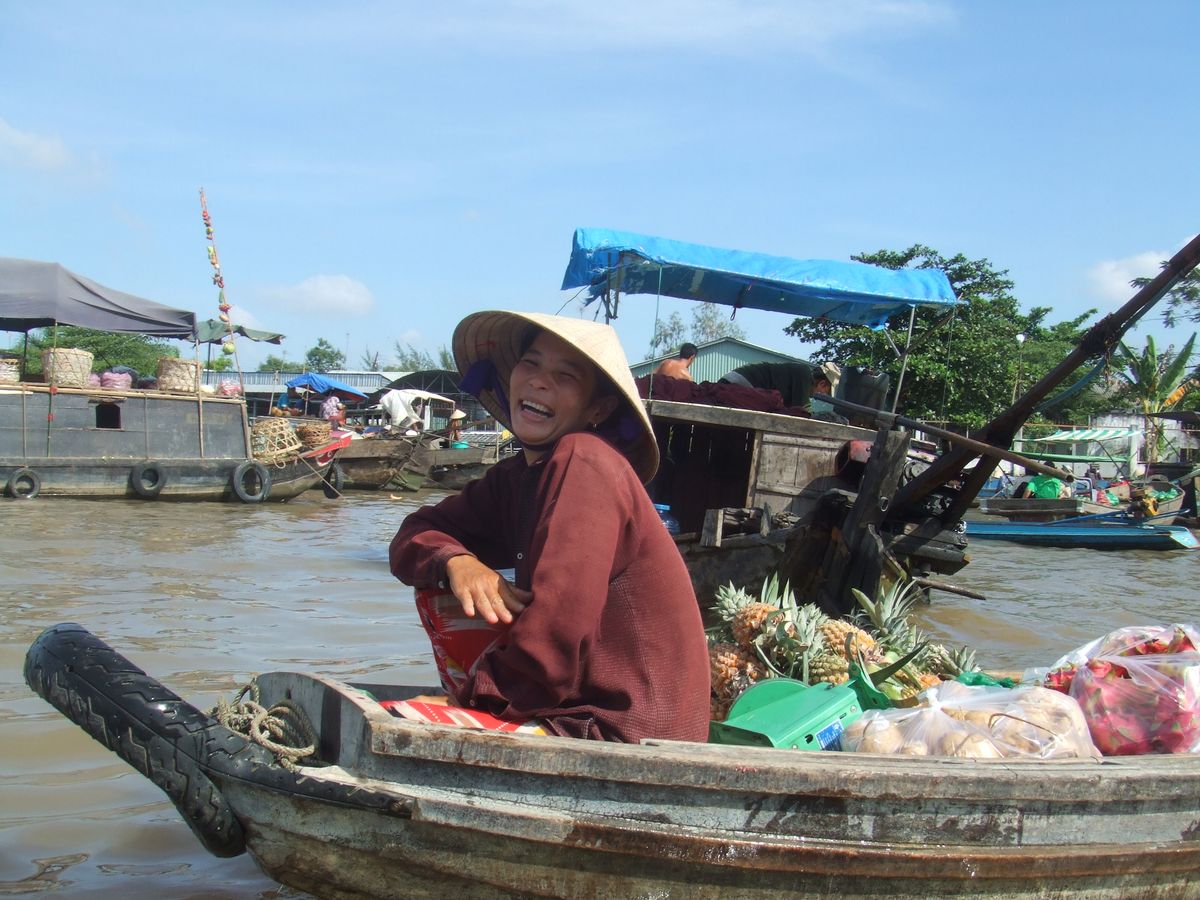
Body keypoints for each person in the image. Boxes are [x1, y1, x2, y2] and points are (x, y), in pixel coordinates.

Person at [390, 310, 711, 744]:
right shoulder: (519, 478)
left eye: (566, 376)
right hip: (581, 707)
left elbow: (560, 623)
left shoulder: (584, 459)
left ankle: (493, 701)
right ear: (510, 377)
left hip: (626, 730)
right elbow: (414, 533)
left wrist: (480, 700)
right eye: (532, 364)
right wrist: (458, 561)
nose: (541, 382)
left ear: (597, 407)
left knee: (412, 718)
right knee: (437, 577)